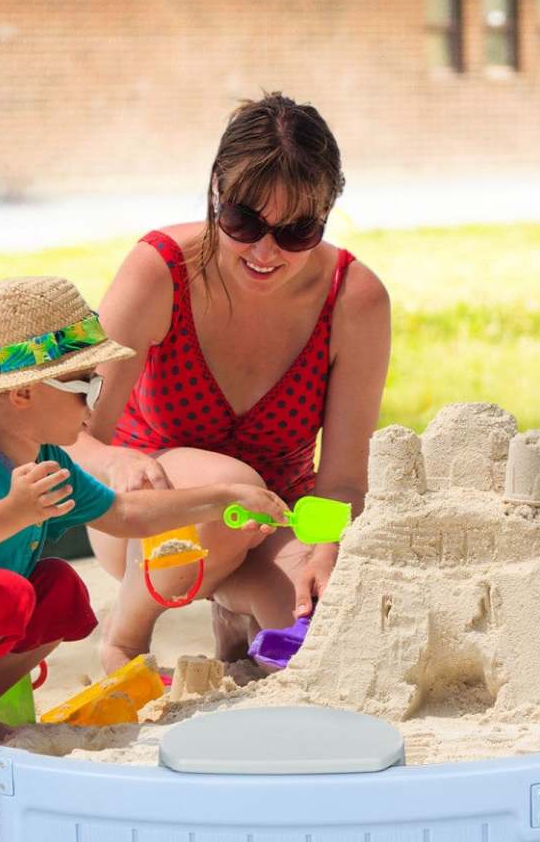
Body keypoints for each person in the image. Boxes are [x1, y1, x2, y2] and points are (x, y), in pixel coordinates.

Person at [0, 275, 287, 739]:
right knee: (7, 593)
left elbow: (124, 515)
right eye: (84, 389)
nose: (93, 409)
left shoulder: (46, 459)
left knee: (59, 589)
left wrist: (223, 498)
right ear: (23, 394)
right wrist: (12, 513)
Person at [69, 93, 392, 672]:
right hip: (147, 523)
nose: (266, 251)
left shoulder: (354, 299)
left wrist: (323, 547)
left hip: (274, 512)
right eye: (244, 222)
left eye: (297, 231)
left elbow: (342, 480)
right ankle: (126, 633)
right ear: (217, 191)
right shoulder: (160, 270)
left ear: (327, 214)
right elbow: (73, 436)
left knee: (312, 637)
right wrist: (116, 463)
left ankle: (235, 604)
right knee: (228, 491)